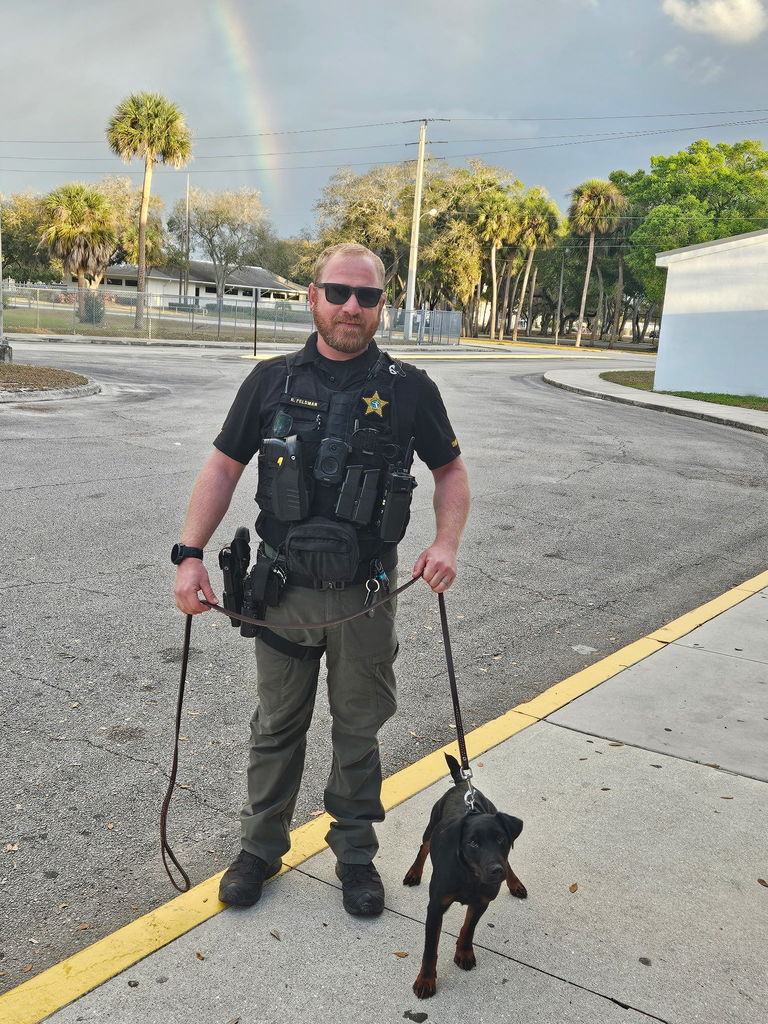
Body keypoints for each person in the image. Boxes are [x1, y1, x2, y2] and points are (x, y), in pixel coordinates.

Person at [174, 242, 470, 917]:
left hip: (367, 594)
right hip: (282, 590)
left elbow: (451, 471)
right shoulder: (271, 381)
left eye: (366, 297)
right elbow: (223, 466)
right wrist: (188, 553)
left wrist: (445, 542)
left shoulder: (408, 388)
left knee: (359, 727)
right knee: (276, 724)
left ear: (381, 307)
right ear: (312, 297)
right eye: (338, 292)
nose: (351, 307)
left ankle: (356, 855)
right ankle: (258, 848)